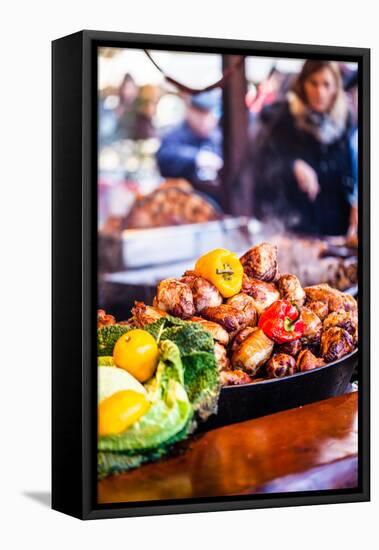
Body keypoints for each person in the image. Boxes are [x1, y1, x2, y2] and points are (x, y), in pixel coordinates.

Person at [252, 60, 357, 236]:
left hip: (336, 230)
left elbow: (350, 174)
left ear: (335, 88)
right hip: (295, 227)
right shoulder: (283, 117)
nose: (319, 92)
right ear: (303, 85)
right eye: (313, 83)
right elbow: (263, 165)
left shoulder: (345, 121)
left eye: (326, 84)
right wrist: (293, 166)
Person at [156, 90, 223, 187]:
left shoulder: (216, 138)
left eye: (208, 114)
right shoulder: (175, 135)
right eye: (200, 113)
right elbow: (164, 157)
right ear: (189, 111)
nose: (204, 120)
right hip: (180, 196)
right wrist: (197, 158)